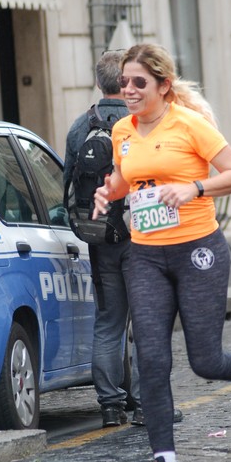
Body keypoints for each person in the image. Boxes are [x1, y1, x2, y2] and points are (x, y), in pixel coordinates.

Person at [93, 43, 231, 462]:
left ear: (163, 86)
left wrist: (193, 187)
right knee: (152, 359)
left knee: (204, 360)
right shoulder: (121, 130)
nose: (128, 90)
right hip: (144, 255)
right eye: (124, 82)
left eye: (138, 82)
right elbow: (126, 176)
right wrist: (108, 194)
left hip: (197, 250)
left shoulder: (190, 125)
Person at [64, 50, 183, 428]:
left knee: (108, 322)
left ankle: (110, 406)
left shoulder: (79, 128)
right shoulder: (142, 122)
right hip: (145, 236)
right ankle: (148, 406)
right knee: (148, 323)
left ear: (100, 83)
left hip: (101, 239)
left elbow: (66, 185)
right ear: (126, 82)